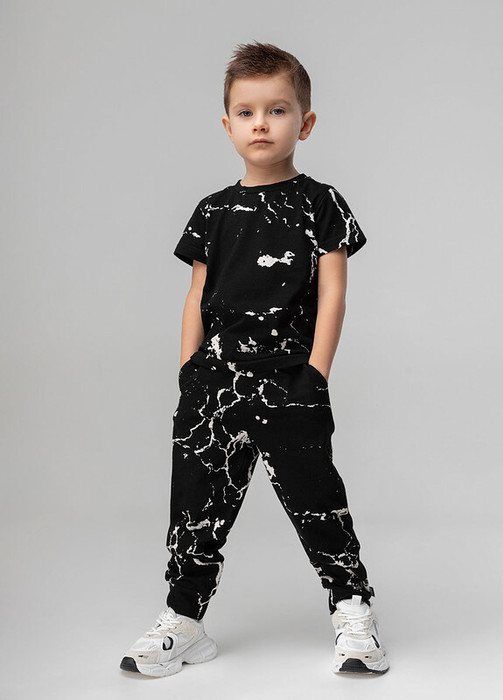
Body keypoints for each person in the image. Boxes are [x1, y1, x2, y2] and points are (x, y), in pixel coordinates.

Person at [120, 40, 389, 678]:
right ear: (228, 125)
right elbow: (196, 296)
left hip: (290, 381)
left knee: (316, 498)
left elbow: (334, 293)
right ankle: (184, 619)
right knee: (195, 503)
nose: (261, 124)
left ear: (305, 122)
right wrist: (189, 372)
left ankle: (353, 613)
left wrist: (315, 374)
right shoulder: (211, 211)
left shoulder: (321, 204)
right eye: (246, 112)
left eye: (277, 110)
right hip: (212, 385)